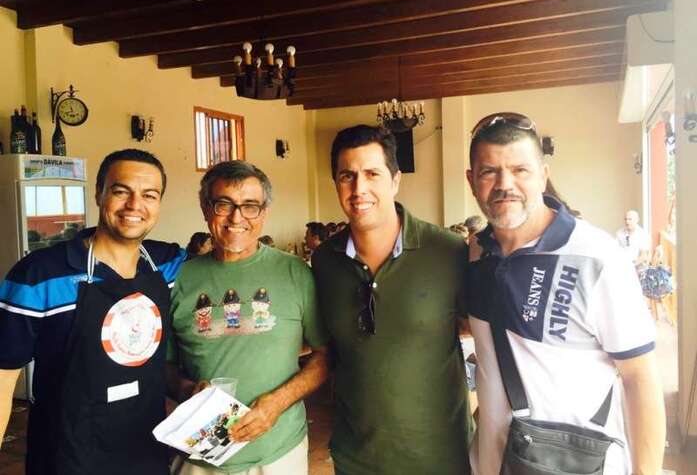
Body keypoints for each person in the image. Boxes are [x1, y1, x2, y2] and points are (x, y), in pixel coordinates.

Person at [464, 112, 665, 474]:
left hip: (580, 464)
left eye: (520, 170)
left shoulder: (597, 255)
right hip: (492, 464)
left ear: (543, 175)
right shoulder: (475, 255)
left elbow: (639, 377)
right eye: (489, 172)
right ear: (471, 181)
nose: (504, 184)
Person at [0, 149, 186, 475]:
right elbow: (3, 375)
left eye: (149, 195)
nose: (134, 205)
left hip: (147, 453)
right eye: (121, 191)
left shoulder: (169, 265)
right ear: (99, 194)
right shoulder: (39, 275)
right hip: (68, 457)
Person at [311, 125, 473, 475]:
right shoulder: (324, 261)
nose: (359, 189)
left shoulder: (447, 251)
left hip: (440, 456)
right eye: (347, 176)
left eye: (372, 174)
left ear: (395, 181)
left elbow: (483, 337)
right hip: (356, 458)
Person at [167, 160, 329, 475]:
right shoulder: (180, 279)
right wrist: (186, 390)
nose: (236, 217)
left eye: (250, 206)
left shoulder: (295, 272)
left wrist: (277, 403)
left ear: (264, 212)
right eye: (223, 204)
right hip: (202, 454)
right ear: (205, 208)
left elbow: (325, 355)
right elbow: (164, 365)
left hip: (279, 451)